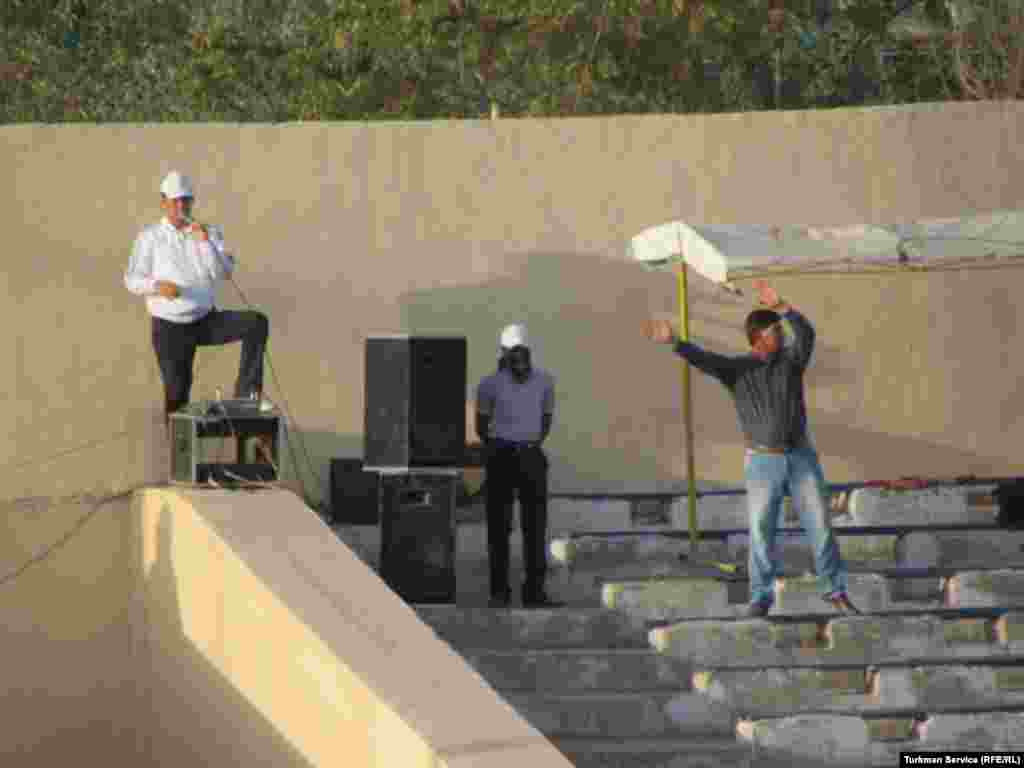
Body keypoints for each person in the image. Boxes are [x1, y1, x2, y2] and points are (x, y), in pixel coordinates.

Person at [644, 276, 858, 617]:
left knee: (820, 523)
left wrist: (783, 308)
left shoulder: (791, 362)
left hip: (801, 457)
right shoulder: (738, 370)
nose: (782, 334)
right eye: (775, 330)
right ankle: (761, 596)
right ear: (760, 338)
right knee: (761, 531)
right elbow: (705, 359)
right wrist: (675, 342)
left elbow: (807, 334)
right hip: (762, 462)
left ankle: (834, 589)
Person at [125, 171, 269, 424]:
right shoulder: (150, 237)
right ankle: (177, 452)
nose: (181, 206)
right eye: (176, 201)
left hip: (205, 320)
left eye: (186, 200)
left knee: (255, 323)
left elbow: (223, 272)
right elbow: (131, 280)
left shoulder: (208, 232)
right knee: (177, 393)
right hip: (170, 329)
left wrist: (204, 242)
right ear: (164, 202)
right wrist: (157, 286)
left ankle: (247, 395)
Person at [476, 324, 557, 608]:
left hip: (529, 457)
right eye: (515, 353)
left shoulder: (545, 382)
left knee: (534, 528)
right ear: (503, 354)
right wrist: (507, 444)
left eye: (523, 353)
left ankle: (533, 591)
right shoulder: (488, 385)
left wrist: (526, 442)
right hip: (502, 457)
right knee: (500, 529)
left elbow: (546, 420)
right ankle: (500, 592)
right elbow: (481, 427)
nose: (520, 359)